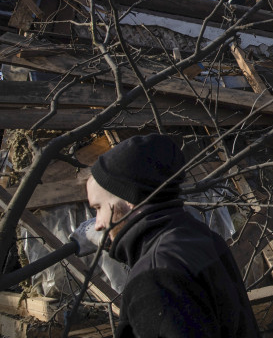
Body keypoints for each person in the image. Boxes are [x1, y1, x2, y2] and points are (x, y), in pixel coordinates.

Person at [83, 134, 260, 338]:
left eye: (98, 208)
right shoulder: (202, 238)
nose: (97, 224)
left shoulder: (156, 275)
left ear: (129, 199)